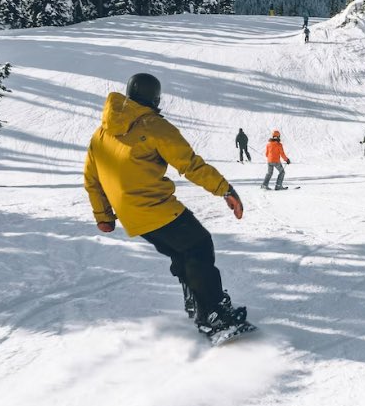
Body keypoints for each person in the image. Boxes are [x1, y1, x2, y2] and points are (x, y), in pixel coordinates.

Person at [84, 72, 248, 337]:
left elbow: (92, 178)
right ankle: (212, 313)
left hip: (132, 217)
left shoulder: (101, 132)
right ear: (155, 98)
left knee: (182, 250)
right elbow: (191, 165)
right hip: (154, 206)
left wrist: (104, 216)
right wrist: (225, 190)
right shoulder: (153, 125)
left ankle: (197, 300)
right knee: (198, 245)